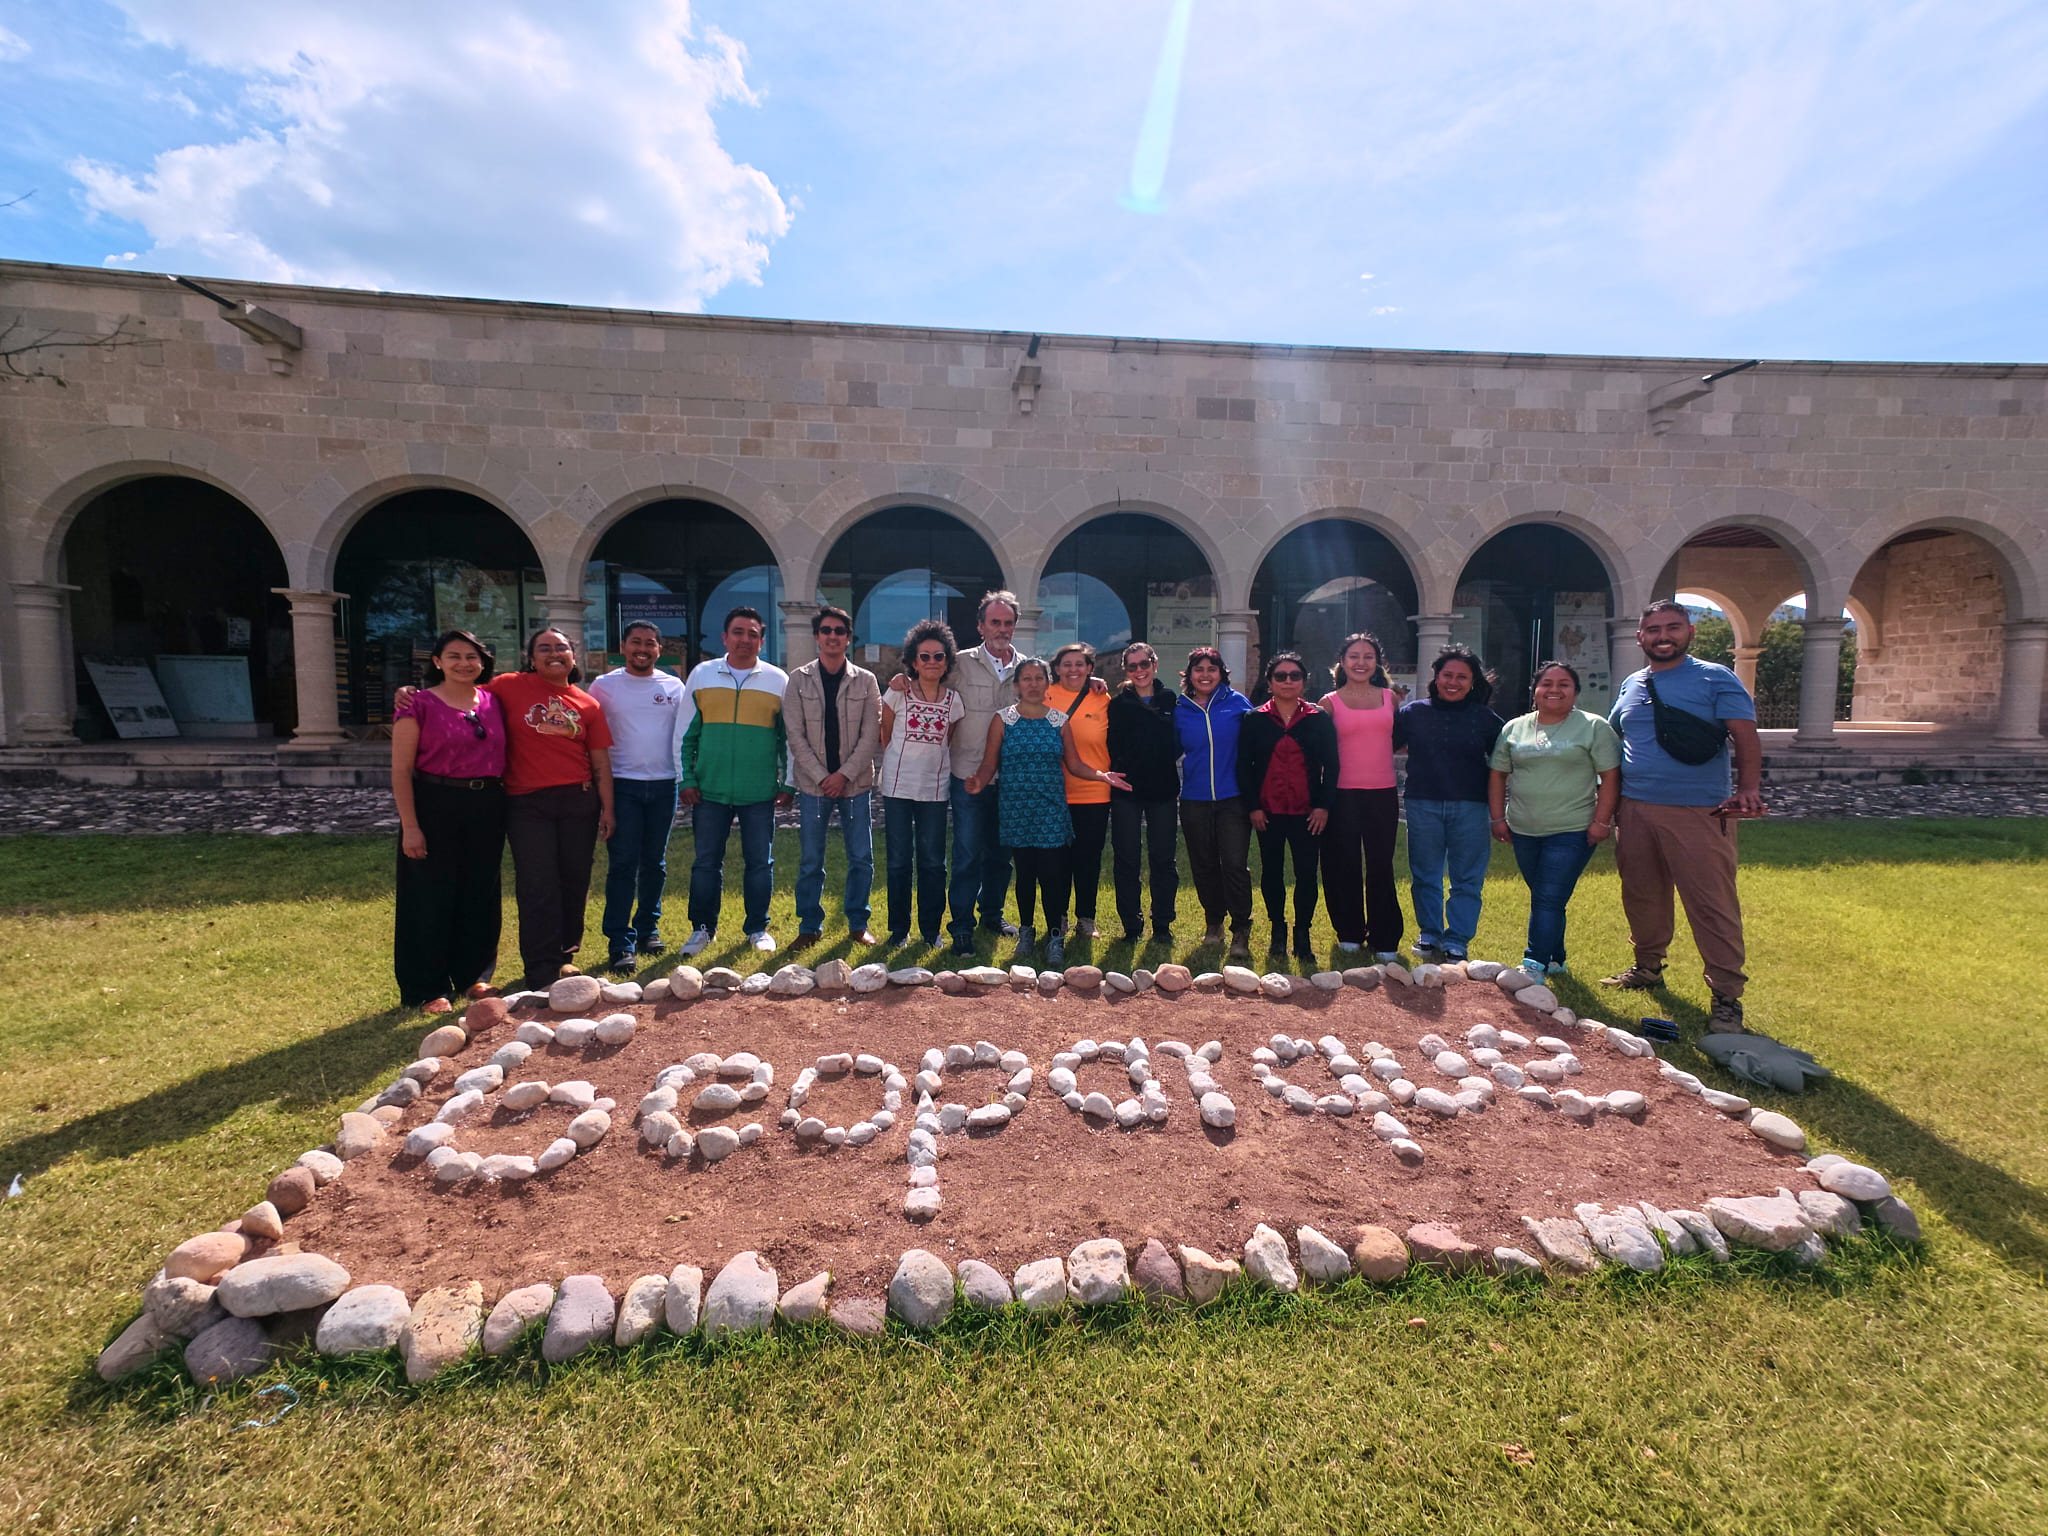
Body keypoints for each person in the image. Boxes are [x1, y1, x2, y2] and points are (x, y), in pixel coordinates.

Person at [1600, 598, 1764, 1033]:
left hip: (1699, 812)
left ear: (1689, 632)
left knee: (1711, 904)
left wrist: (1748, 789)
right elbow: (1612, 739)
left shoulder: (1715, 678)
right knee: (1642, 894)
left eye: (1672, 628)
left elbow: (1745, 738)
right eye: (1653, 630)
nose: (1663, 637)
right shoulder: (1631, 684)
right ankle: (1647, 966)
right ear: (1640, 638)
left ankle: (1727, 995)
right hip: (1634, 809)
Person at [965, 656, 1127, 967]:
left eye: (1039, 678)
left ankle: (1055, 935)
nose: (1033, 684)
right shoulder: (1003, 720)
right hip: (1016, 808)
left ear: (1046, 683)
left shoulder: (1059, 721)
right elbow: (989, 764)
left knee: (1053, 874)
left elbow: (1075, 764)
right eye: (1026, 679)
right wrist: (978, 781)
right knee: (1025, 874)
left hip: (1051, 808)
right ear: (1016, 686)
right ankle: (1027, 930)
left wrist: (1101, 775)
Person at [389, 630, 508, 1012]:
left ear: (482, 661)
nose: (463, 663)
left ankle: (474, 976)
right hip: (434, 802)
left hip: (487, 803)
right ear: (437, 661)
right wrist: (410, 825)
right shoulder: (417, 704)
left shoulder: (493, 701)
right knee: (429, 896)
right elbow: (401, 769)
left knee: (480, 893)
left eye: (471, 656)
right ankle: (427, 987)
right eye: (453, 655)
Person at [490, 628, 616, 985]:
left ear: (573, 657)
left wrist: (607, 808)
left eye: (561, 648)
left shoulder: (587, 703)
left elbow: (600, 763)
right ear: (531, 658)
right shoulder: (507, 686)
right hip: (527, 803)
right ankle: (539, 965)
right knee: (537, 882)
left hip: (578, 801)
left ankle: (564, 954)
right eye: (544, 648)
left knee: (574, 880)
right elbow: (463, 696)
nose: (553, 653)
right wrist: (413, 694)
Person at [1488, 661, 1622, 980]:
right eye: (1547, 683)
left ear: (1575, 692)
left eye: (1564, 684)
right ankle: (1556, 959)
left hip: (1572, 829)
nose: (1554, 690)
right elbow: (1497, 774)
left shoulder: (1593, 727)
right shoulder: (1514, 728)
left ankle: (1533, 963)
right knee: (1547, 896)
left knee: (1548, 895)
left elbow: (1610, 777)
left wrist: (1602, 822)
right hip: (1523, 828)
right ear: (1535, 690)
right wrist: (1497, 817)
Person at [678, 607, 792, 957]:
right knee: (706, 862)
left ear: (762, 640)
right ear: (725, 637)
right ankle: (702, 928)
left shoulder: (778, 680)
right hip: (709, 789)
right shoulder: (702, 674)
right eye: (738, 632)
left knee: (760, 862)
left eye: (753, 634)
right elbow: (684, 733)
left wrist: (788, 783)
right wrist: (686, 777)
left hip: (759, 791)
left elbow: (787, 739)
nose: (745, 640)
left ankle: (757, 927)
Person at [588, 620, 688, 973]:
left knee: (654, 863)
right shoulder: (604, 686)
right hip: (622, 785)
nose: (642, 648)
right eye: (635, 642)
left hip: (664, 785)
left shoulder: (674, 686)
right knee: (622, 864)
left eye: (650, 643)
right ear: (623, 646)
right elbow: (589, 733)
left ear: (660, 649)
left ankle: (648, 929)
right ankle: (620, 942)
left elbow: (685, 733)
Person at [1396, 646, 1506, 963]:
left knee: (1466, 878)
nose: (1453, 682)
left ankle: (1457, 938)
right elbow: (1379, 743)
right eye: (1448, 675)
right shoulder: (1413, 713)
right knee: (1425, 874)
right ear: (1436, 677)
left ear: (1473, 682)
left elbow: (1507, 757)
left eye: (1462, 677)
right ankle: (1429, 933)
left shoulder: (1484, 719)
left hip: (1471, 806)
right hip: (1422, 804)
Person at [782, 605, 882, 949]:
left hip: (855, 786)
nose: (833, 636)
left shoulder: (866, 681)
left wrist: (844, 775)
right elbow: (795, 735)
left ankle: (858, 923)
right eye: (826, 630)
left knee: (861, 858)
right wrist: (824, 776)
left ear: (848, 638)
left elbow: (872, 736)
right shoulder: (798, 679)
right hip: (813, 786)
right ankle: (809, 926)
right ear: (816, 636)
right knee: (811, 859)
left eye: (840, 631)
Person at [1237, 651, 1337, 963]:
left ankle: (1302, 934)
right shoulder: (1254, 719)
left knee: (1307, 873)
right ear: (1270, 683)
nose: (1288, 681)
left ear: (1303, 682)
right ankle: (1278, 931)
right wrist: (1253, 807)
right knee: (1272, 873)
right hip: (1268, 812)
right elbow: (1243, 766)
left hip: (1308, 813)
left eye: (1295, 675)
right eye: (1281, 676)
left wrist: (1323, 807)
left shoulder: (1318, 719)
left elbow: (1332, 766)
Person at [944, 591, 1027, 957]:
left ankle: (992, 914)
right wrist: (901, 682)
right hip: (968, 775)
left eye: (1008, 623)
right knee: (966, 854)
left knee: (1000, 855)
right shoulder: (959, 664)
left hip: (1011, 778)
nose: (1002, 629)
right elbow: (927, 685)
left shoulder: (1028, 668)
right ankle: (961, 926)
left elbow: (1055, 697)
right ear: (980, 626)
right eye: (995, 622)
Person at [878, 619, 964, 948]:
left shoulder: (954, 702)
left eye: (938, 656)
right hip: (898, 789)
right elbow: (885, 735)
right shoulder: (897, 693)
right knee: (899, 860)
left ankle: (931, 931)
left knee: (932, 862)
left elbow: (948, 741)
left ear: (947, 662)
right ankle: (899, 931)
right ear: (913, 661)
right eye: (924, 656)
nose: (931, 662)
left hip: (935, 791)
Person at [1319, 632, 1405, 961]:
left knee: (1381, 865)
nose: (1361, 662)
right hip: (1341, 795)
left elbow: (1399, 740)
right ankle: (1349, 932)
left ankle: (1384, 937)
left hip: (1382, 794)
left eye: (1368, 656)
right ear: (1342, 662)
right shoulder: (1328, 703)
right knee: (1344, 865)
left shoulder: (1391, 699)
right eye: (1354, 656)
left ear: (1377, 663)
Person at [1174, 646, 1254, 962]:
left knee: (1233, 864)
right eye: (1199, 669)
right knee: (1204, 864)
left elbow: (1259, 739)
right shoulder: (1180, 708)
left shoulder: (1237, 703)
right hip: (1194, 798)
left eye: (1212, 668)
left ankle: (1241, 929)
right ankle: (1214, 923)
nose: (1205, 674)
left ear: (1221, 673)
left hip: (1233, 799)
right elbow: (1167, 748)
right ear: (1189, 675)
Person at [1105, 640, 1180, 945]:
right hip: (1126, 789)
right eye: (1132, 666)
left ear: (1154, 664)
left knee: (1163, 859)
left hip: (1162, 789)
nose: (1139, 671)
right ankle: (1131, 926)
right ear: (1126, 670)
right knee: (1127, 859)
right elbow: (1112, 742)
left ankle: (1162, 924)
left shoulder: (1170, 699)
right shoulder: (1118, 703)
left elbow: (1178, 741)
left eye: (1144, 664)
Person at [1045, 641, 1113, 940]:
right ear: (1056, 669)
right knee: (1056, 860)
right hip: (1053, 792)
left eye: (1080, 664)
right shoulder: (1044, 695)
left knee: (1088, 858)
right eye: (1067, 664)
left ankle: (1086, 918)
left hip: (1094, 791)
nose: (1073, 669)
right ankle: (1057, 918)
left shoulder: (1103, 697)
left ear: (1089, 669)